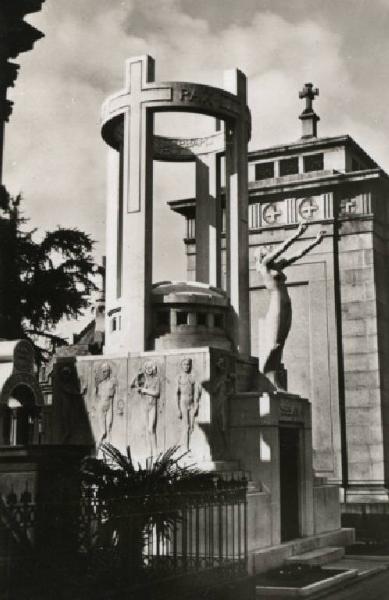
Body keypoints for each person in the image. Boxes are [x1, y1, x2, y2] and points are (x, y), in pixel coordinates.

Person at [255, 222, 324, 389]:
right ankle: (265, 375)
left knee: (282, 340)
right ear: (259, 254)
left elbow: (297, 255)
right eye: (265, 247)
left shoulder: (277, 266)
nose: (269, 248)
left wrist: (315, 241)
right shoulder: (263, 265)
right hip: (276, 301)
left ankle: (274, 375)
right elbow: (281, 249)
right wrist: (297, 233)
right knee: (274, 343)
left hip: (286, 302)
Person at [130, 360, 160, 457]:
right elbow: (132, 385)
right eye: (147, 367)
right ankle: (149, 450)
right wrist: (137, 375)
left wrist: (145, 390)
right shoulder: (142, 378)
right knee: (147, 429)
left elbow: (156, 393)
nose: (149, 369)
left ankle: (155, 449)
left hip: (152, 405)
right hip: (144, 405)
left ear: (154, 368)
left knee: (151, 429)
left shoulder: (156, 379)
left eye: (151, 367)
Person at [177, 358, 202, 452]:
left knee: (191, 426)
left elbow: (197, 391)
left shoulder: (192, 377)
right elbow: (176, 393)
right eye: (184, 364)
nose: (186, 366)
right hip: (183, 401)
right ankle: (185, 448)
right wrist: (178, 409)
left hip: (191, 402)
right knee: (186, 425)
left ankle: (187, 445)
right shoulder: (179, 377)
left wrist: (196, 405)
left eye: (188, 364)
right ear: (181, 366)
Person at [95, 362, 116, 448]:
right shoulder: (100, 384)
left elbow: (113, 394)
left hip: (109, 406)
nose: (104, 373)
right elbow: (97, 397)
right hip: (101, 408)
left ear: (109, 372)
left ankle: (110, 449)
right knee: (103, 432)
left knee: (109, 427)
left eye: (106, 371)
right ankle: (97, 448)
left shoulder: (112, 382)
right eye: (103, 371)